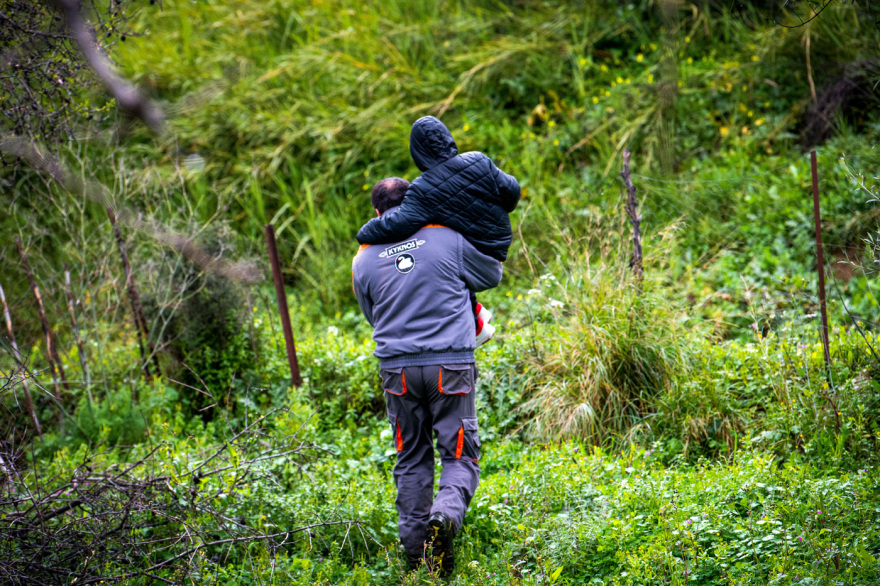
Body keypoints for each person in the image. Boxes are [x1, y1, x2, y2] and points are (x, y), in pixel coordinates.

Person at [352, 176, 504, 576]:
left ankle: (418, 556)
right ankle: (445, 516)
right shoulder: (446, 238)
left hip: (397, 371)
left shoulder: (363, 258)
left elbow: (373, 316)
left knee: (411, 456)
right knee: (459, 453)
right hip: (449, 367)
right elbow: (491, 275)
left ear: (376, 213)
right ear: (418, 200)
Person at [356, 116, 520, 346]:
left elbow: (399, 223)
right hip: (497, 249)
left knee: (436, 239)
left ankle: (473, 322)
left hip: (476, 261)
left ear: (417, 153)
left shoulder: (423, 188)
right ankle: (474, 313)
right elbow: (512, 194)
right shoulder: (479, 161)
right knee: (447, 246)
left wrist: (364, 234)